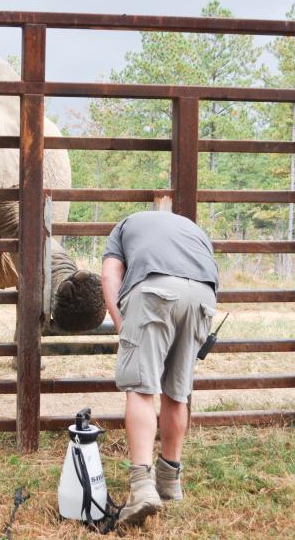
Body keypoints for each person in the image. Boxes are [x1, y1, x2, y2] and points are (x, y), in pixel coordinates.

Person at [101, 210, 218, 525]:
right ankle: (170, 480)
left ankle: (142, 487)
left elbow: (110, 275)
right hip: (203, 296)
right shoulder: (191, 228)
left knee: (140, 388)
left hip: (155, 289)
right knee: (177, 392)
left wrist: (120, 323)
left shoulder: (123, 225)